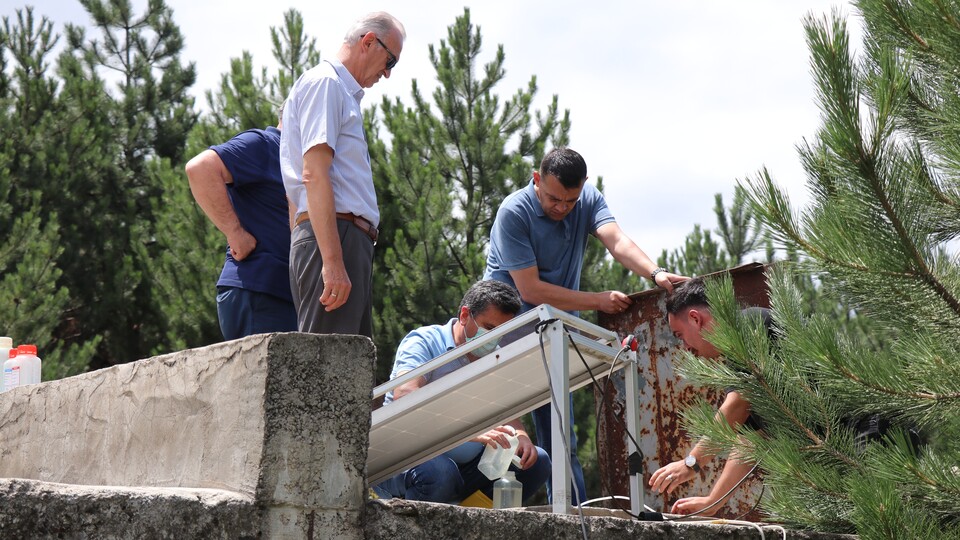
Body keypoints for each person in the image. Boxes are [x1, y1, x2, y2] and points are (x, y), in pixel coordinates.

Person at [483, 147, 687, 503]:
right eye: (552, 198)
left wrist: (654, 272)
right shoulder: (513, 212)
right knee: (504, 435)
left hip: (557, 327)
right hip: (509, 330)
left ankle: (572, 510)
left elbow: (617, 240)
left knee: (562, 434)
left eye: (570, 201)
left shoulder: (587, 200)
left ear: (584, 189)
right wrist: (597, 300)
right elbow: (528, 289)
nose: (561, 208)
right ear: (536, 180)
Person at [281, 11, 405, 337]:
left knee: (347, 366)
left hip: (341, 237)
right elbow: (314, 174)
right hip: (336, 236)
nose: (388, 73)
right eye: (390, 60)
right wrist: (333, 261)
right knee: (325, 367)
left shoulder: (338, 91)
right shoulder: (326, 84)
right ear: (367, 41)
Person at [374, 280, 551, 504]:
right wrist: (468, 432)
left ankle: (474, 523)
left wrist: (521, 437)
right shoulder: (424, 341)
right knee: (440, 474)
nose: (494, 339)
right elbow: (405, 396)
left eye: (501, 332)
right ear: (465, 315)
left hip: (462, 469)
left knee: (537, 463)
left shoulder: (495, 358)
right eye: (489, 328)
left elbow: (507, 414)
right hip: (407, 456)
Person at [648, 276, 768, 516]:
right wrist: (714, 501)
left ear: (695, 318)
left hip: (857, 436)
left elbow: (738, 405)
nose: (684, 347)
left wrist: (691, 463)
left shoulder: (748, 325)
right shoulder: (734, 363)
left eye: (680, 334)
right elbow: (752, 438)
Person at [185, 117, 297, 340]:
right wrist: (235, 232)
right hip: (260, 290)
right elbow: (200, 168)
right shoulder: (264, 143)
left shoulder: (295, 160)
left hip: (279, 293)